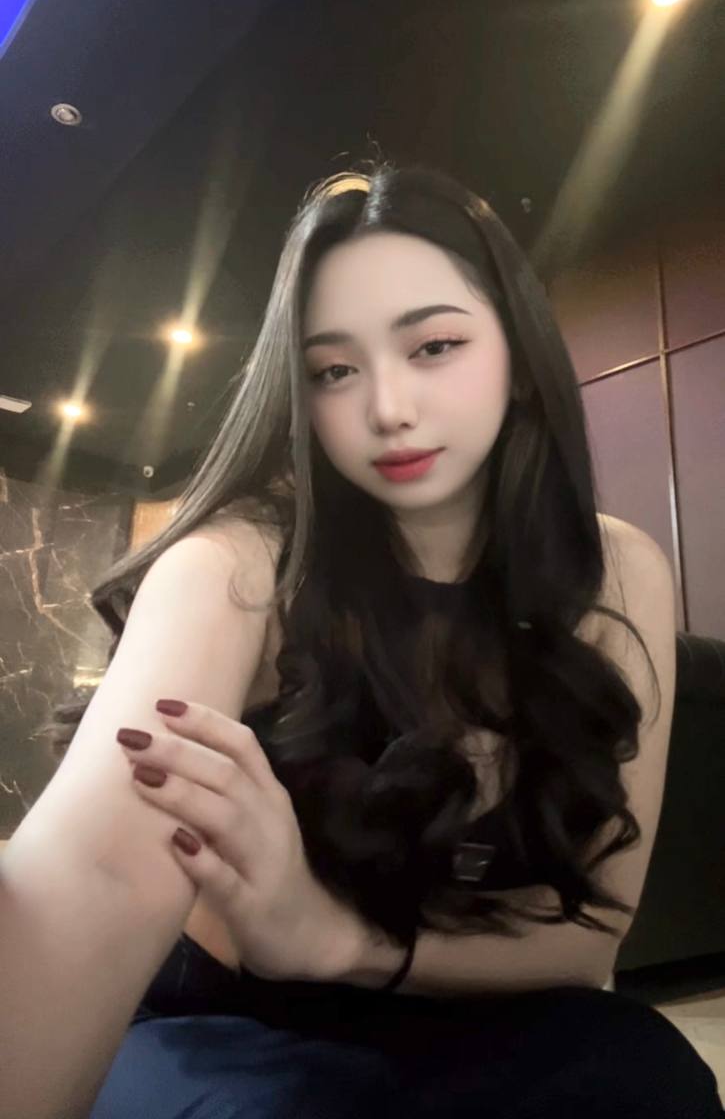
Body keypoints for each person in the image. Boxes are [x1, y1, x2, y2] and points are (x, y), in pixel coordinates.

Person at [8, 162, 722, 1118]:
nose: (387, 409)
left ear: (517, 359)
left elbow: (589, 934)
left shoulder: (614, 571)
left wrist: (330, 937)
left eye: (434, 346)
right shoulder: (239, 565)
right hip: (227, 1022)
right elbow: (88, 876)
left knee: (650, 1078)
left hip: (460, 998)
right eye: (334, 371)